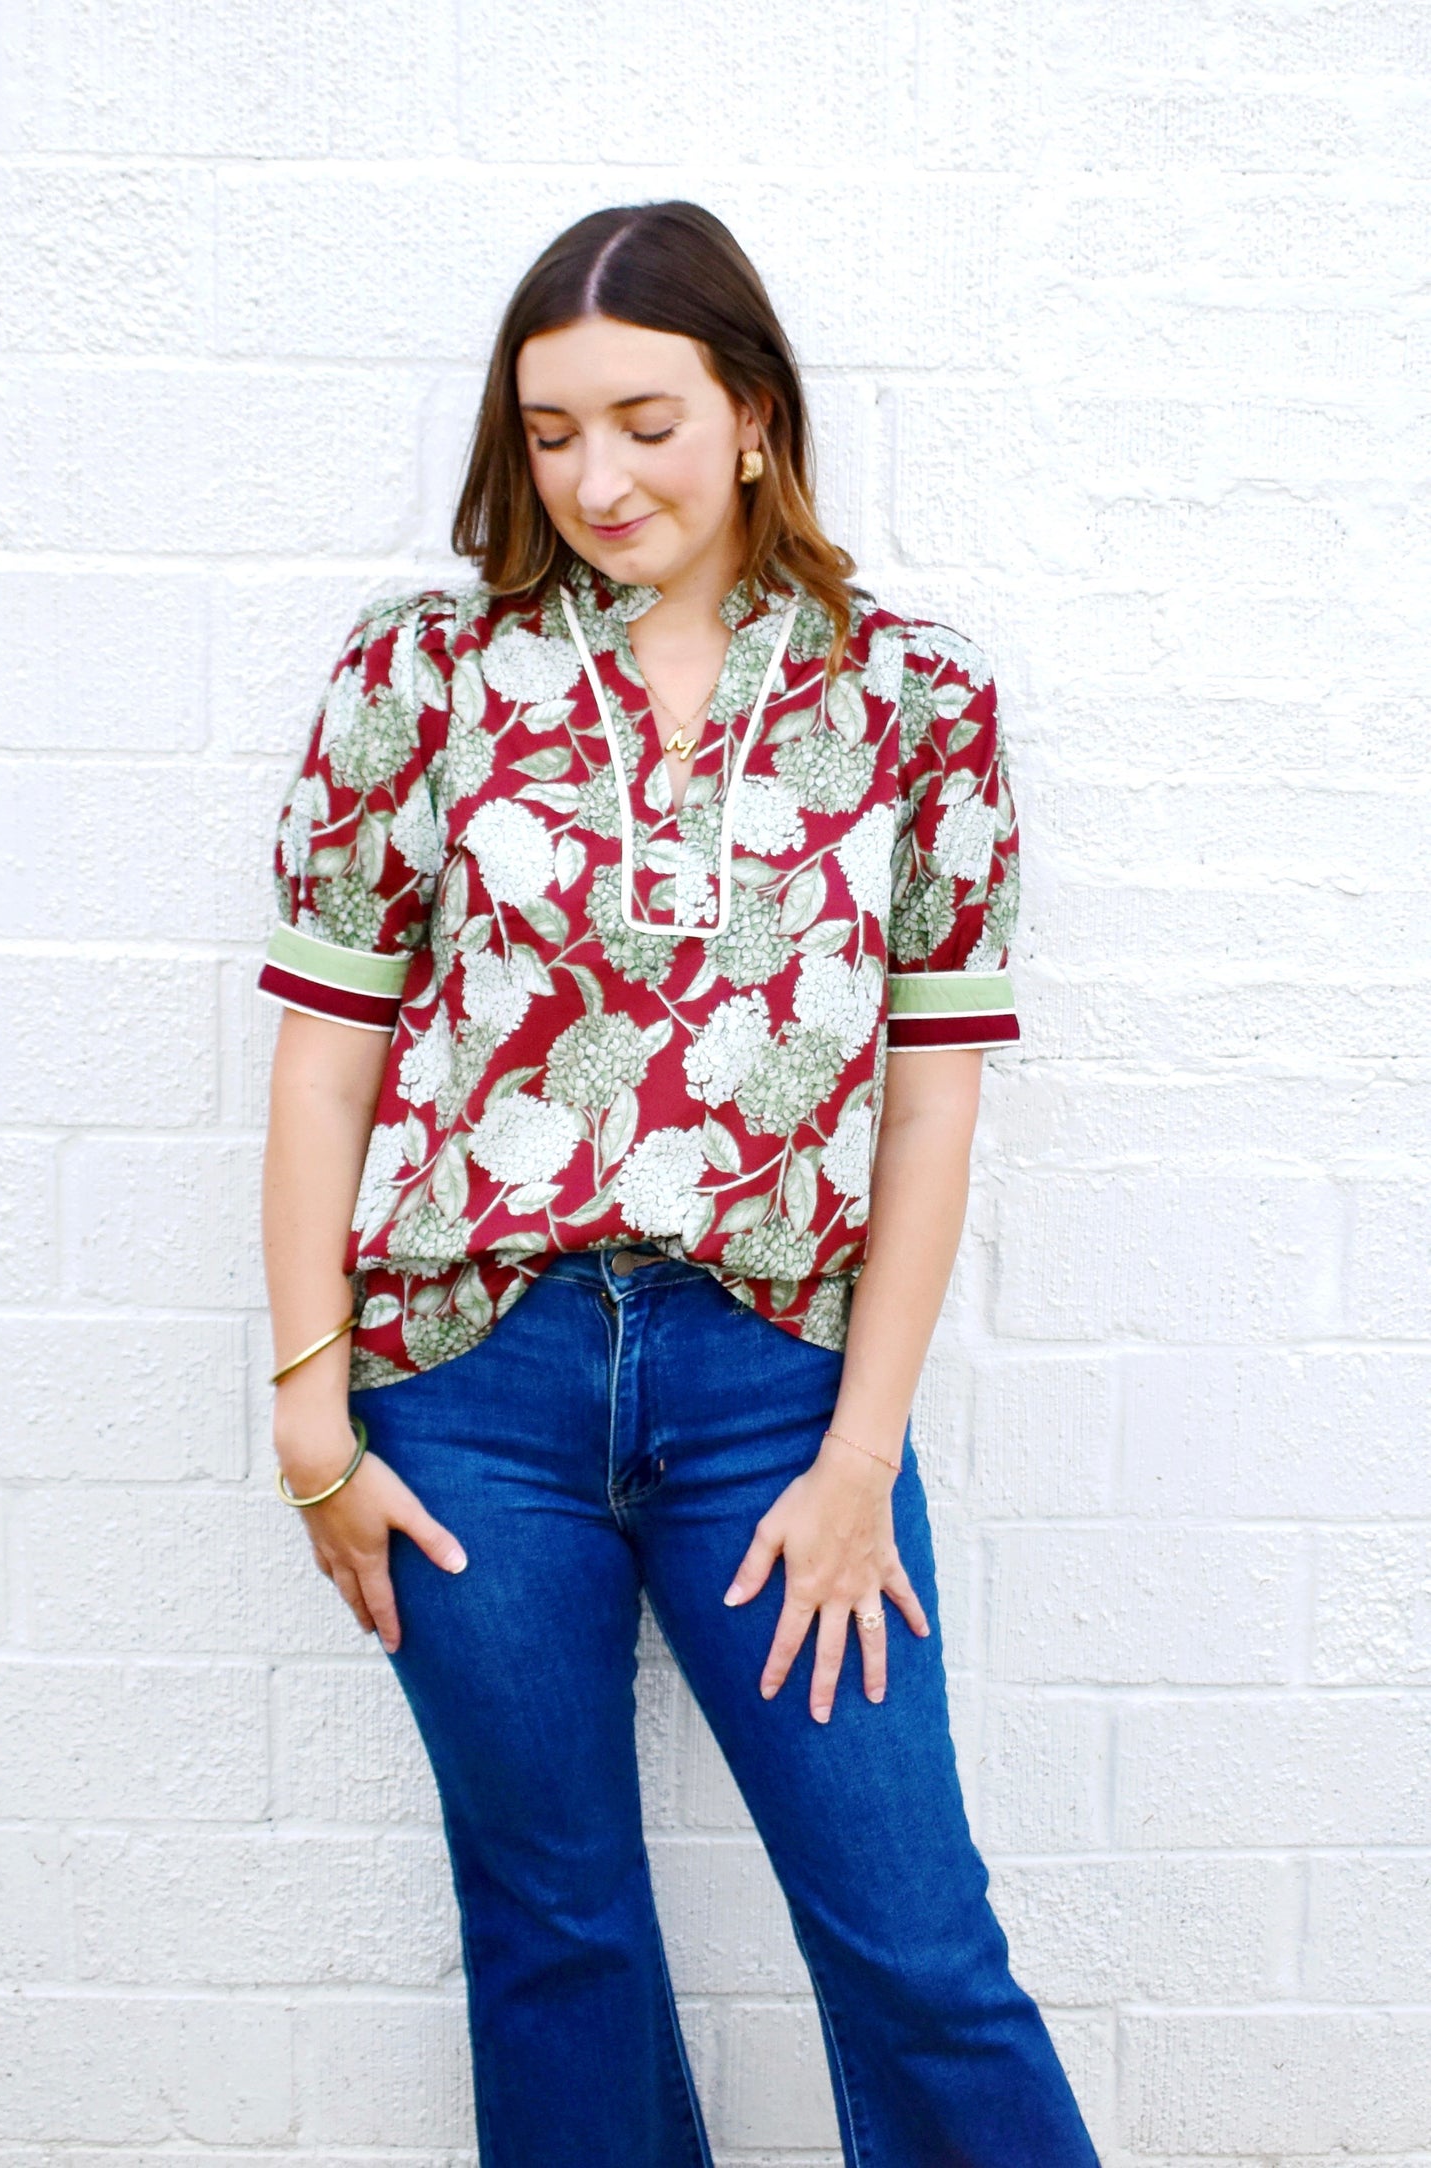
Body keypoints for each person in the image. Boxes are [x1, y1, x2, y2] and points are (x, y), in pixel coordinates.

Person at [258, 199, 1099, 2168]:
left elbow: (927, 1104)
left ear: (751, 415)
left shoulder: (912, 699)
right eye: (551, 432)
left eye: (642, 419)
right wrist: (310, 1403)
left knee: (913, 1938)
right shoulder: (422, 681)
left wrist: (856, 1458)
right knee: (553, 1934)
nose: (595, 476)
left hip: (773, 1395)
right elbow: (327, 1058)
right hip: (468, 1397)